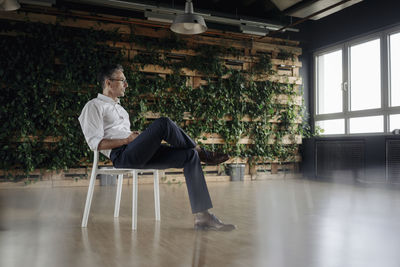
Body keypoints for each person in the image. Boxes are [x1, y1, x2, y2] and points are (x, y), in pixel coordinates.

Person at [78, 64, 236, 231]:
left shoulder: (121, 110)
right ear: (108, 83)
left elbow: (125, 136)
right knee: (164, 123)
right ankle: (203, 153)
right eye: (122, 80)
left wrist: (134, 138)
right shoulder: (93, 106)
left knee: (189, 155)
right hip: (123, 157)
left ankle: (203, 217)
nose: (126, 84)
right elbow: (95, 143)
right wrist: (126, 140)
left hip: (136, 152)